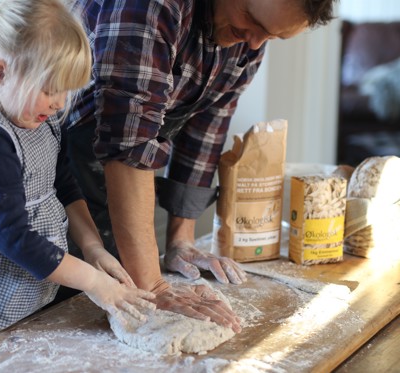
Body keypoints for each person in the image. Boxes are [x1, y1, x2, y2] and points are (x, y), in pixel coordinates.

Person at [63, 0, 338, 323]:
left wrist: (181, 241)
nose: (254, 43)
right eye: (250, 21)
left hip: (118, 179)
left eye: (272, 37)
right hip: (53, 176)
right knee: (65, 310)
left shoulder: (250, 39)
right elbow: (129, 144)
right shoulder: (151, 5)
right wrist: (154, 286)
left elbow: (204, 130)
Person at [0, 0, 156, 356]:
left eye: (66, 90)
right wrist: (95, 284)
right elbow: (16, 239)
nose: (60, 103)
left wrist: (93, 249)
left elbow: (64, 186)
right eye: (50, 89)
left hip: (19, 299)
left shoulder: (39, 120)